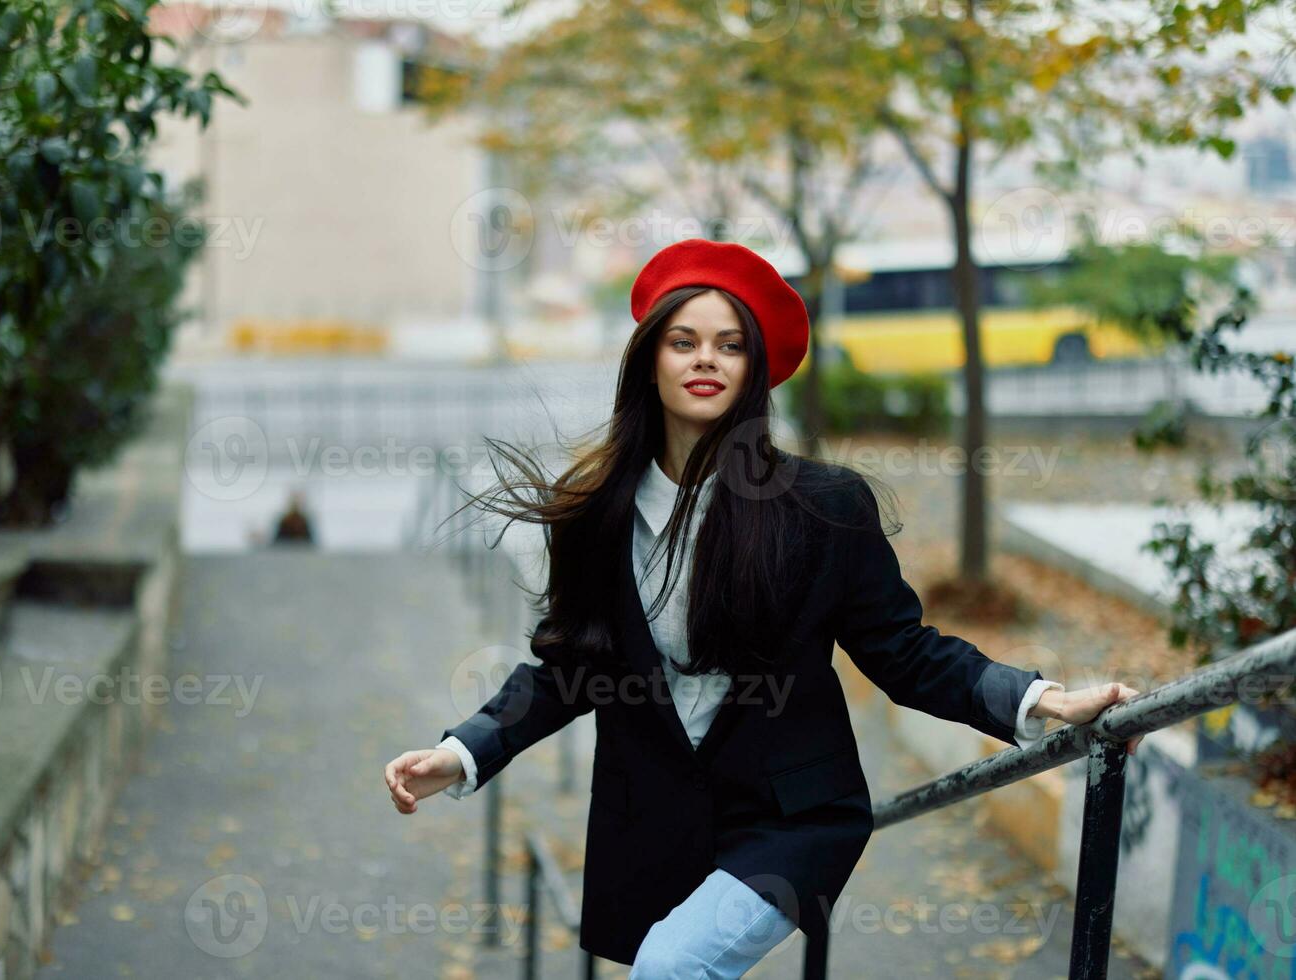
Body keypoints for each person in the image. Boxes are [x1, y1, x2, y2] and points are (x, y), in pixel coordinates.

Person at [383, 238, 1144, 977]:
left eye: (729, 345)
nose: (705, 359)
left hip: (792, 818)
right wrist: (462, 752)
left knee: (671, 968)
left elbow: (902, 653)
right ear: (649, 361)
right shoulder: (597, 516)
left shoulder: (822, 506)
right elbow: (568, 669)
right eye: (683, 341)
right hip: (653, 819)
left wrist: (1043, 699)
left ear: (755, 373)